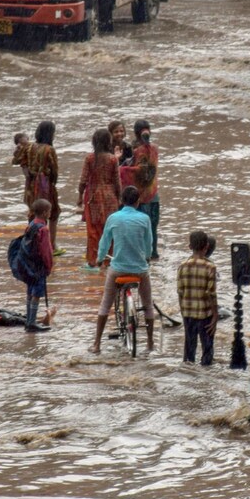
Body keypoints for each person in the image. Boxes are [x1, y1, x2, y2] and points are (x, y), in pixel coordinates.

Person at [90, 186, 154, 354]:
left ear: (121, 201)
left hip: (118, 269)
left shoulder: (113, 218)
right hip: (140, 269)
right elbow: (149, 245)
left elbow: (104, 243)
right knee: (147, 304)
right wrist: (146, 258)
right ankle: (150, 343)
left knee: (105, 304)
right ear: (138, 201)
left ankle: (96, 344)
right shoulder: (145, 219)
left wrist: (99, 259)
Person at [78, 128, 121, 271]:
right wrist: (119, 198)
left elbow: (83, 180)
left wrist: (79, 196)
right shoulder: (113, 159)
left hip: (94, 197)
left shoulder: (90, 158)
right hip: (110, 197)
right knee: (110, 229)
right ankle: (109, 260)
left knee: (94, 230)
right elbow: (117, 181)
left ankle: (93, 261)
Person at [177, 230, 219, 366]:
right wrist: (215, 315)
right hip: (205, 314)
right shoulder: (210, 267)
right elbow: (211, 294)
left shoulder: (182, 266)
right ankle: (206, 374)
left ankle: (188, 374)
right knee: (207, 350)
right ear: (207, 247)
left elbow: (180, 292)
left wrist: (183, 312)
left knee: (189, 351)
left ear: (190, 247)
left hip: (188, 313)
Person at [23, 121, 64, 256]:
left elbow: (19, 160)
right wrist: (53, 182)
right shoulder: (49, 149)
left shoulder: (29, 147)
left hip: (31, 185)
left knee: (33, 213)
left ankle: (32, 243)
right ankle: (51, 245)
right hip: (45, 186)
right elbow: (55, 170)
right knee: (53, 213)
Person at [122, 119, 160, 261]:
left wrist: (123, 168)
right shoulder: (155, 148)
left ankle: (142, 254)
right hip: (154, 193)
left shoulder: (134, 149)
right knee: (153, 226)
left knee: (141, 227)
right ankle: (153, 253)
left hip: (140, 197)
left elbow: (137, 171)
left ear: (135, 132)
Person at [22, 198, 56, 332]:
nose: (50, 214)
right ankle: (31, 323)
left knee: (30, 292)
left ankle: (29, 320)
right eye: (49, 211)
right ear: (44, 213)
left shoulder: (30, 225)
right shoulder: (43, 229)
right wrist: (49, 266)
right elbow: (46, 250)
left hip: (28, 265)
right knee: (36, 293)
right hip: (39, 267)